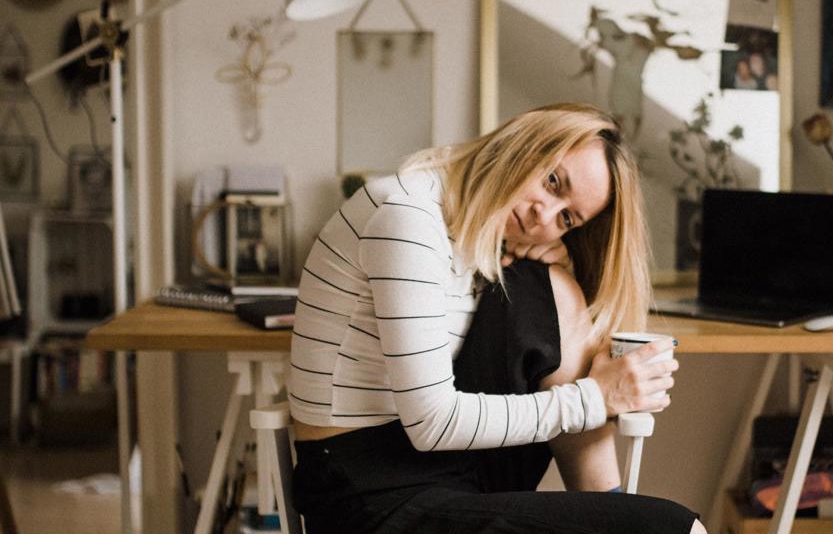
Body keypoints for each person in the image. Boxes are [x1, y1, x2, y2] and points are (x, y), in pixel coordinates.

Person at [289, 103, 705, 533]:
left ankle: (610, 505)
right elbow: (432, 423)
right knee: (675, 528)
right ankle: (617, 515)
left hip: (447, 471)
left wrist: (558, 269)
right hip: (367, 496)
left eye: (566, 218)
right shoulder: (407, 217)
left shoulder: (476, 235)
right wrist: (596, 398)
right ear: (524, 141)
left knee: (550, 287)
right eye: (552, 181)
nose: (543, 215)